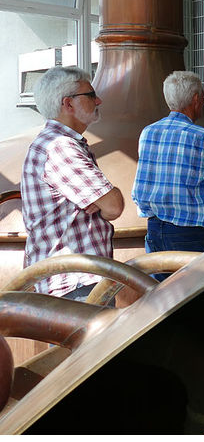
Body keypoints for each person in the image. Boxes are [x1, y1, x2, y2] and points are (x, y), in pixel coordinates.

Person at [20, 66, 124, 300]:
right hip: (76, 283)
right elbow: (114, 206)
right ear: (68, 104)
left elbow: (107, 206)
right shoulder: (60, 147)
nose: (98, 100)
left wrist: (98, 201)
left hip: (75, 280)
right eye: (90, 95)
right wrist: (101, 200)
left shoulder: (63, 143)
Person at [132, 71, 204, 264]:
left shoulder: (148, 132)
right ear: (196, 99)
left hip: (154, 227)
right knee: (196, 291)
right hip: (192, 233)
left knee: (160, 291)